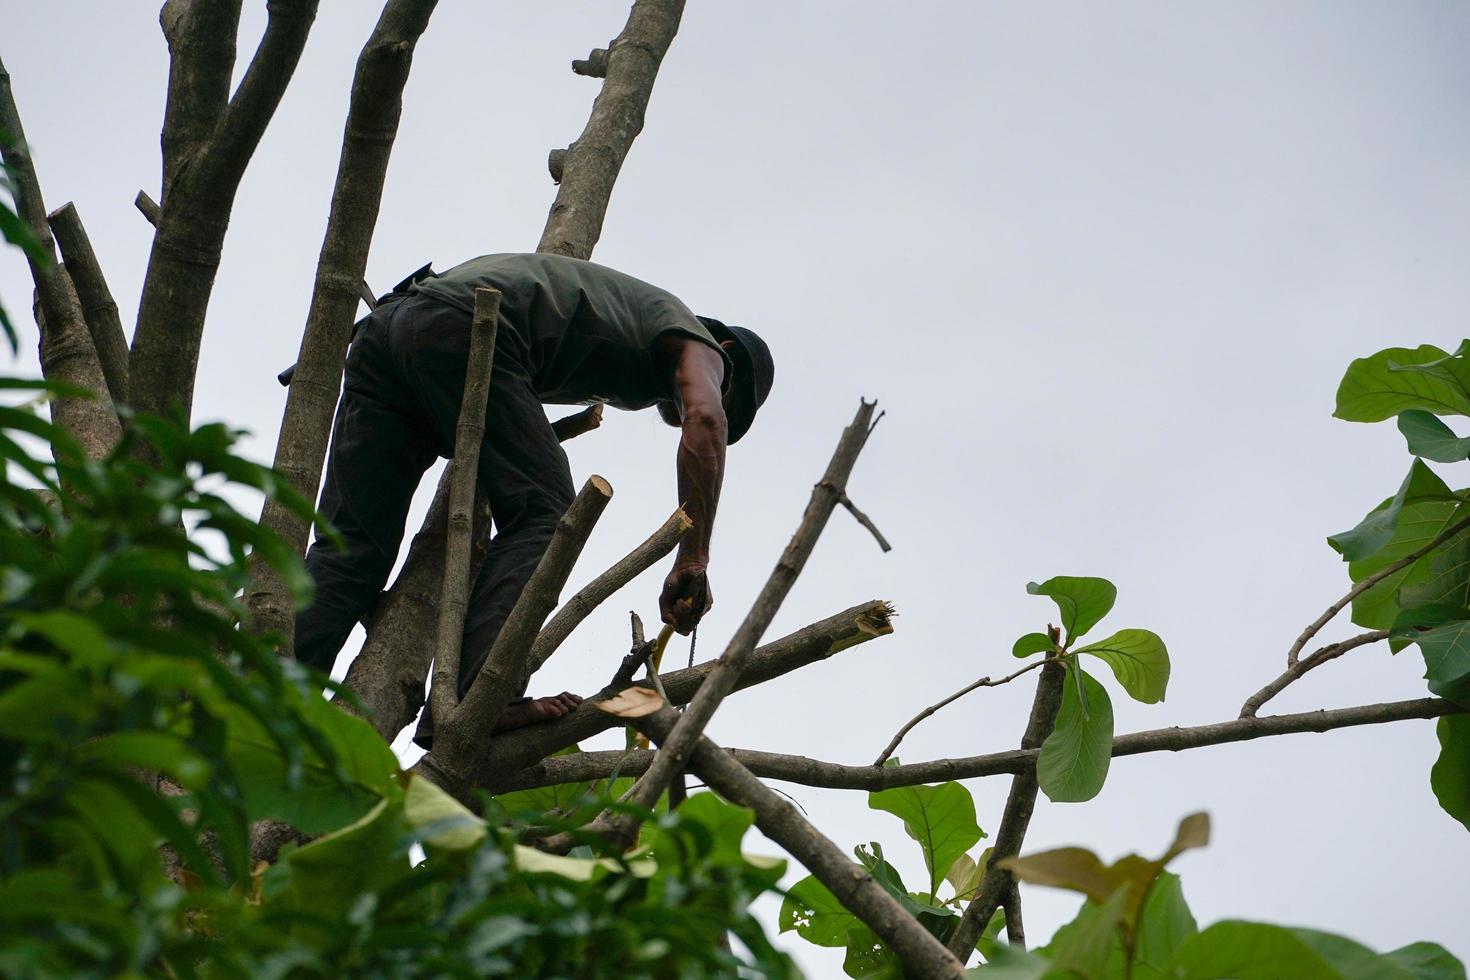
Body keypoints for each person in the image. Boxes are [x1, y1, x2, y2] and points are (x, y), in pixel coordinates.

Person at [292, 252, 774, 743]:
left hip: (386, 337)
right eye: (727, 397)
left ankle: (259, 702)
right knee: (547, 514)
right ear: (724, 351)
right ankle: (476, 699)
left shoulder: (633, 325)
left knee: (350, 549)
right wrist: (693, 557)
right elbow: (706, 421)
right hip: (458, 326)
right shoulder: (700, 343)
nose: (715, 402)